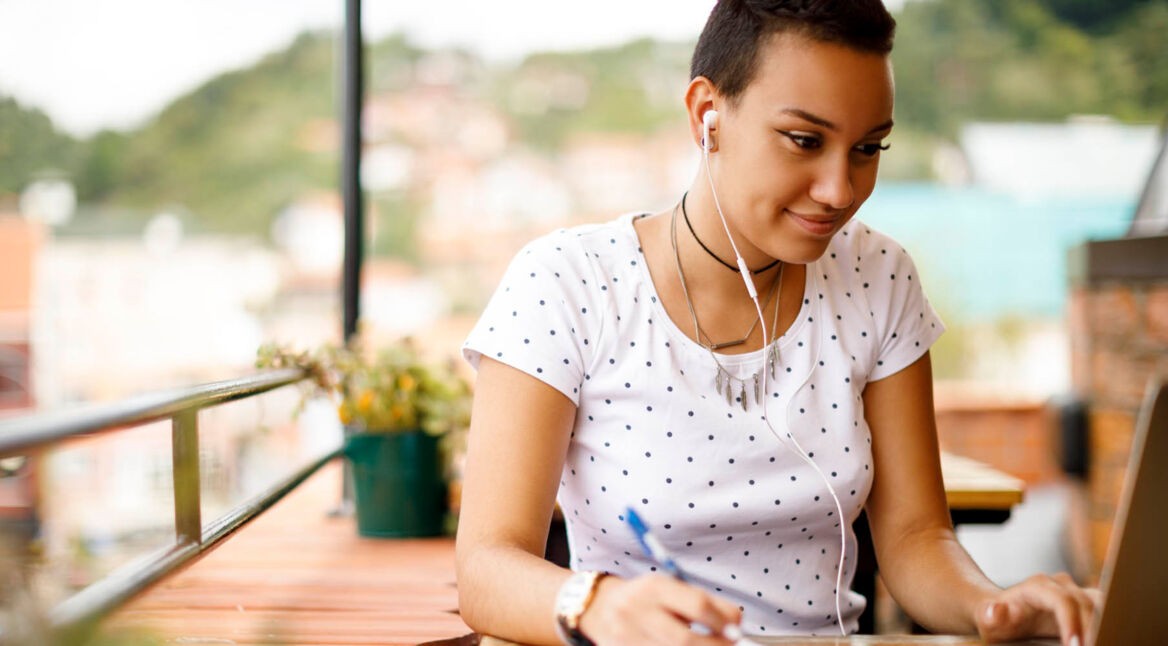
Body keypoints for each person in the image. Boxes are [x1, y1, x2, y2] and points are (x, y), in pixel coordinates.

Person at [456, 1, 1099, 644]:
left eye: (868, 148)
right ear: (707, 115)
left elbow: (914, 536)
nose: (839, 191)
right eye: (805, 141)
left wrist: (994, 606)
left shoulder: (879, 276)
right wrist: (597, 606)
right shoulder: (567, 283)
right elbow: (486, 568)